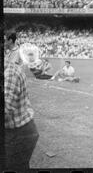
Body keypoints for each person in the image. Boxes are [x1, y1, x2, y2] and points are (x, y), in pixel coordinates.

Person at [4, 33, 39, 170]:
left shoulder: (17, 55)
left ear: (10, 40)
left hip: (17, 132)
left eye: (6, 40)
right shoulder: (9, 54)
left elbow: (6, 108)